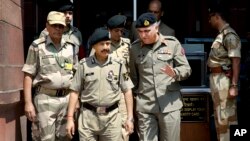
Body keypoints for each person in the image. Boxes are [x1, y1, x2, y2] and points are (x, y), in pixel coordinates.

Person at [129, 12, 191, 141]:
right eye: (140, 31)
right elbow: (133, 78)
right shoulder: (134, 48)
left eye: (147, 31)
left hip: (169, 104)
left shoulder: (172, 44)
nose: (143, 35)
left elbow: (186, 69)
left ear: (156, 28)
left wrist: (175, 73)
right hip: (145, 106)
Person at [66, 27, 134, 141]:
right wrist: (69, 118)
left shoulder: (119, 65)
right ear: (94, 46)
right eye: (102, 44)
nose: (106, 47)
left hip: (111, 119)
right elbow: (74, 92)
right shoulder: (84, 65)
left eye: (108, 44)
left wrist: (130, 118)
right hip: (88, 119)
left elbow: (127, 91)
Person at [22, 11, 78, 141]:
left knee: (65, 137)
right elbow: (28, 75)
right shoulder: (37, 46)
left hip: (66, 100)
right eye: (54, 25)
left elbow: (76, 76)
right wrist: (28, 103)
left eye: (61, 26)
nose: (58, 29)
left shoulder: (71, 47)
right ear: (47, 26)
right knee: (45, 138)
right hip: (45, 100)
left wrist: (77, 100)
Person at [207, 4, 241, 141]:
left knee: (226, 117)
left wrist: (234, 85)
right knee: (220, 117)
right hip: (218, 78)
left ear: (217, 17)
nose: (209, 21)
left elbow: (236, 61)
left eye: (211, 17)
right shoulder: (221, 35)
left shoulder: (229, 35)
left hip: (224, 81)